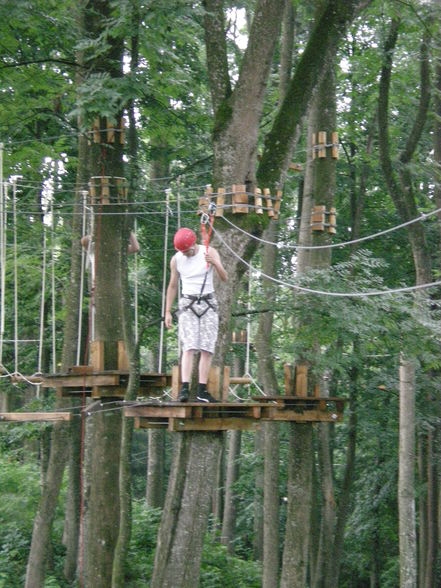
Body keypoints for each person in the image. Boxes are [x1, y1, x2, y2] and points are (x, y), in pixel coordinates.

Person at [165, 227, 227, 402]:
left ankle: (202, 390)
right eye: (182, 251)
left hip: (208, 303)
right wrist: (168, 311)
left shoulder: (209, 251)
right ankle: (184, 388)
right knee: (189, 347)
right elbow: (172, 285)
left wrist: (215, 263)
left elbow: (224, 277)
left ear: (193, 244)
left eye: (187, 250)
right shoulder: (176, 259)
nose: (185, 254)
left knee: (207, 348)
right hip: (188, 304)